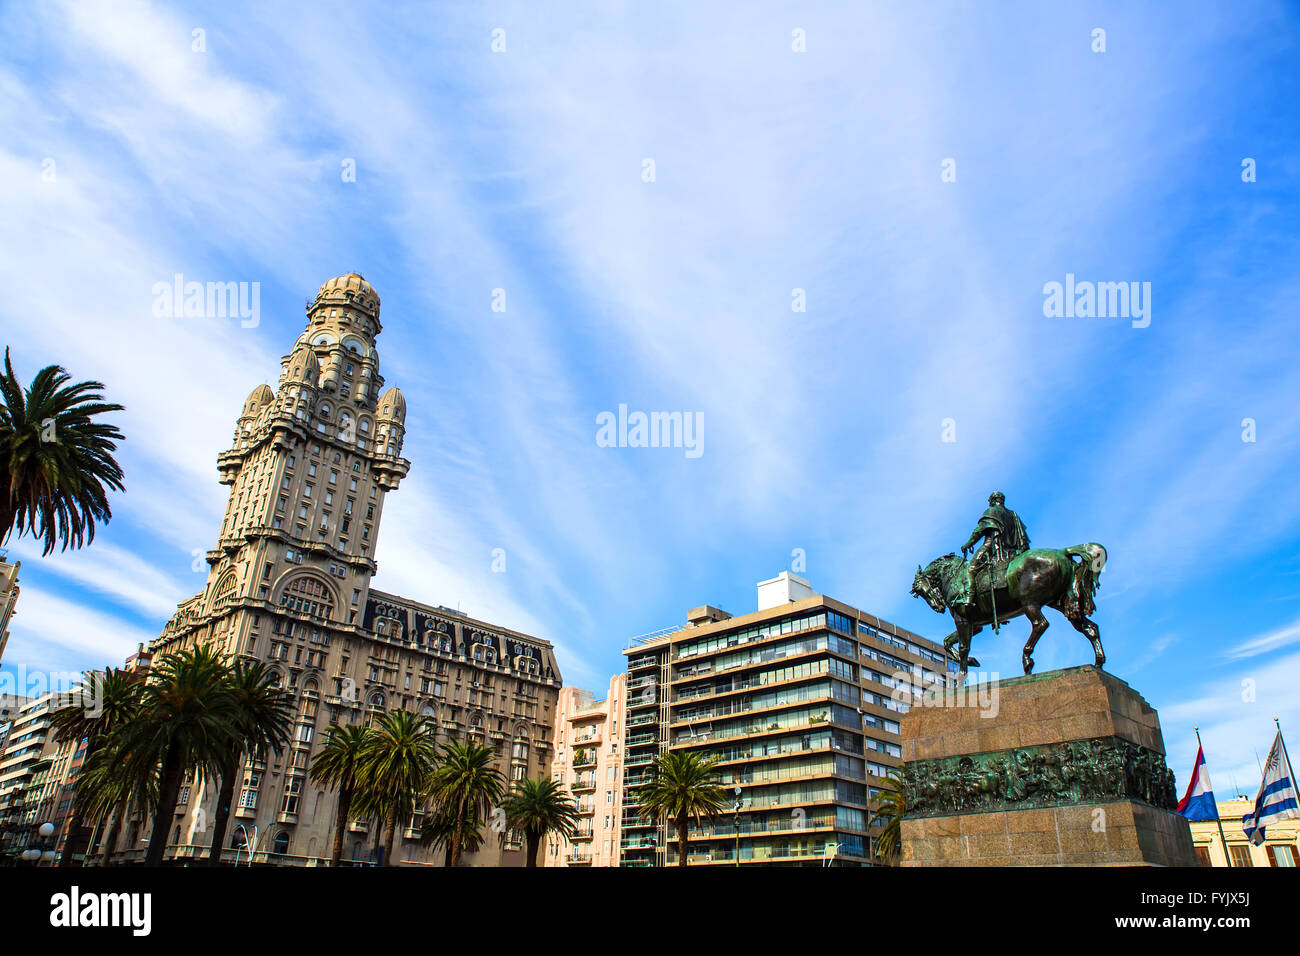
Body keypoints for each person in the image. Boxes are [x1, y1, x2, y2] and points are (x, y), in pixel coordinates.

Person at [953, 491, 1030, 616]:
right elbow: (1022, 536)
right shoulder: (1013, 514)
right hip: (1013, 553)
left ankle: (969, 598)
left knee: (969, 569)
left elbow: (979, 531)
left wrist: (967, 544)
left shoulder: (991, 512)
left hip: (994, 549)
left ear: (993, 500)